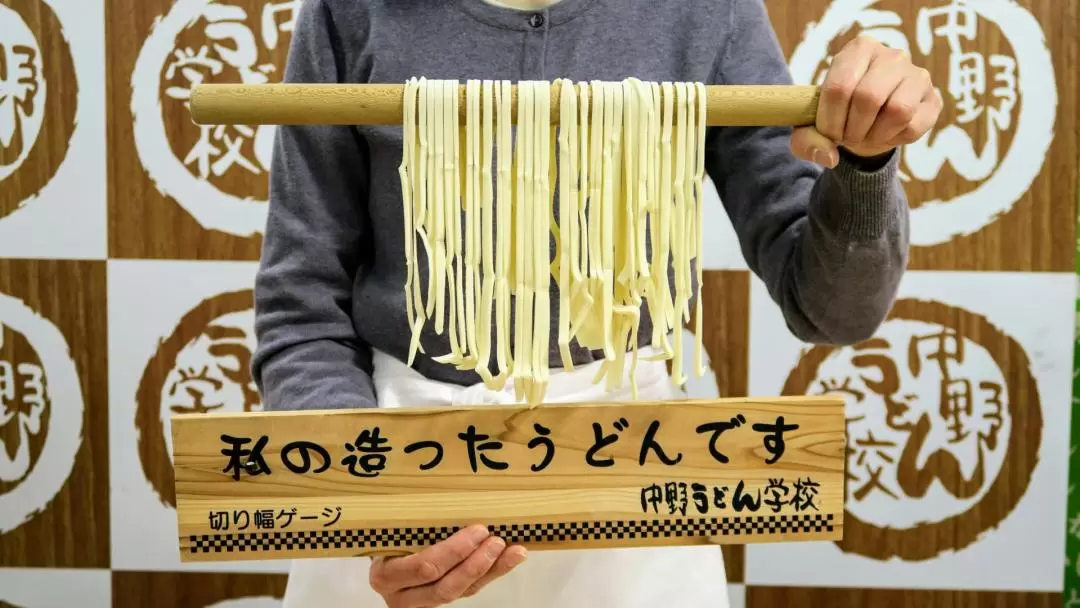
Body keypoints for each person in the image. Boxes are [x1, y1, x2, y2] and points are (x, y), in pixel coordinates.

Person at [251, 0, 941, 605]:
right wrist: (370, 509)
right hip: (399, 452)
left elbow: (832, 308)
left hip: (631, 463)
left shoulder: (708, 10)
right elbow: (303, 300)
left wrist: (866, 166)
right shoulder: (349, 10)